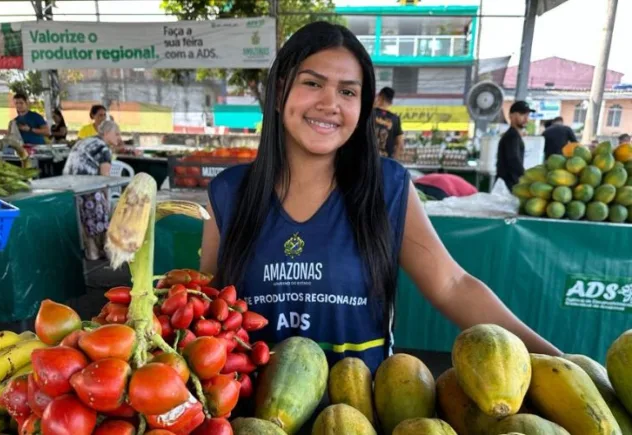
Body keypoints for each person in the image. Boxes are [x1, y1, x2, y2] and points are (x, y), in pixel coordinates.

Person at [200, 22, 560, 376]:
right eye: (312, 83)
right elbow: (207, 310)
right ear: (280, 94)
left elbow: (452, 286)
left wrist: (558, 361)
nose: (330, 103)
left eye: (348, 92)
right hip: (250, 418)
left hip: (361, 414)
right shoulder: (229, 193)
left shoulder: (388, 187)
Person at [63, 119, 122, 260]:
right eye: (117, 134)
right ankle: (98, 252)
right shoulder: (103, 148)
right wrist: (106, 202)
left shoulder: (87, 141)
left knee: (86, 218)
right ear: (107, 133)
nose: (119, 138)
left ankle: (92, 251)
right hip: (86, 185)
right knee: (100, 212)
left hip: (69, 185)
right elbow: (104, 179)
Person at [497, 101, 534, 190]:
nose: (526, 119)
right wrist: (527, 177)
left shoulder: (514, 135)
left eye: (527, 115)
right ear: (511, 116)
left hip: (509, 184)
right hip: (509, 185)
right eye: (522, 114)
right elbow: (514, 160)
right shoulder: (512, 136)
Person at [372, 87, 404, 159]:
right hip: (386, 161)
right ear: (391, 102)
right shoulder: (395, 119)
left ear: (380, 97)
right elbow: (400, 144)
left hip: (368, 160)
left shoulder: (369, 113)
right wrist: (393, 162)